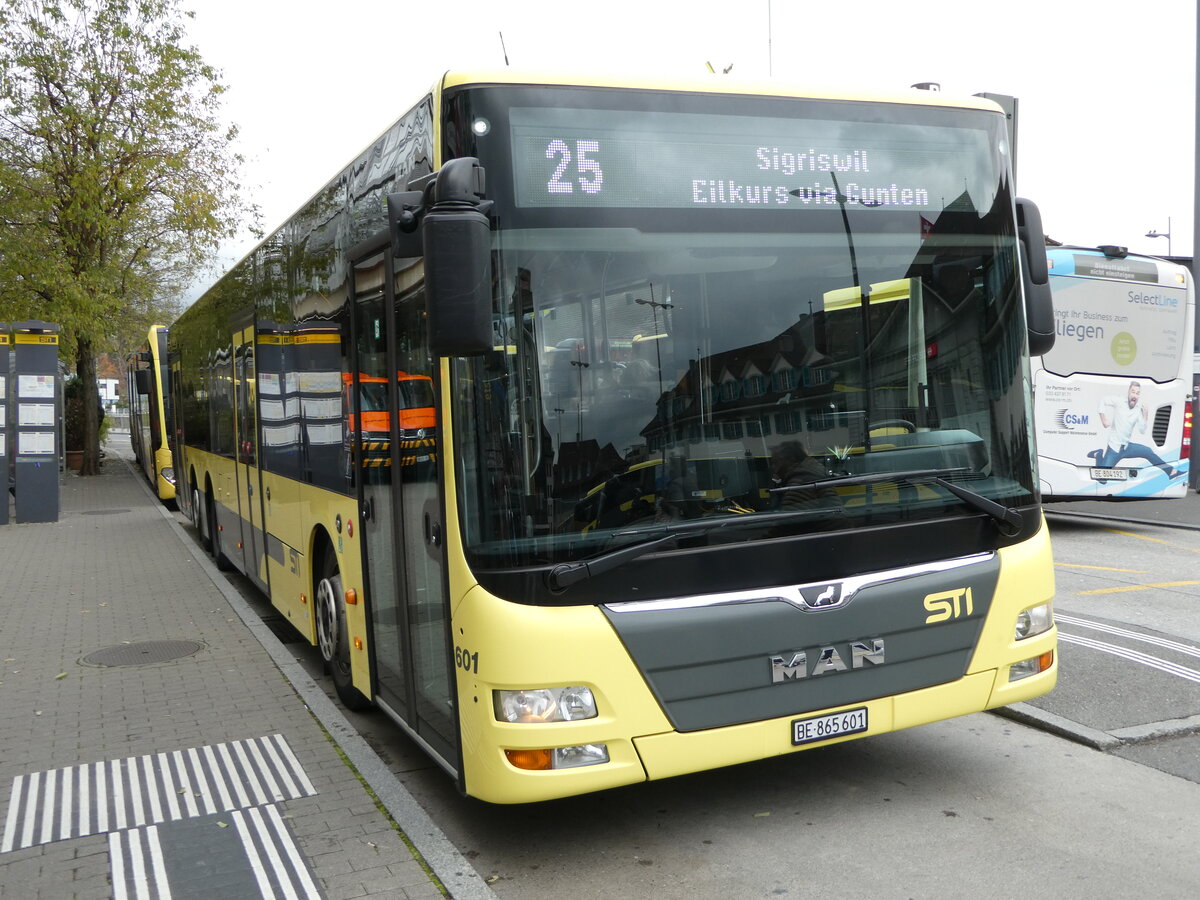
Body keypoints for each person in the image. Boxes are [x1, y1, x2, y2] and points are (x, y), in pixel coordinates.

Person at [1088, 381, 1181, 479]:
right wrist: (1103, 419)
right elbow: (1103, 400)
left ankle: (1171, 472)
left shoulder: (1137, 410)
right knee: (1101, 479)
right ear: (1128, 392)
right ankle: (1098, 455)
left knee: (1148, 452)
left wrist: (1145, 414)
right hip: (1114, 448)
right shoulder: (1119, 401)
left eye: (1137, 393)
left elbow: (1142, 430)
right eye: (1133, 392)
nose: (1135, 395)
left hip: (1127, 447)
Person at [770, 441, 836, 511]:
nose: (774, 468)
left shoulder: (800, 483)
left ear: (791, 460)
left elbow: (790, 518)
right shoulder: (814, 472)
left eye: (776, 462)